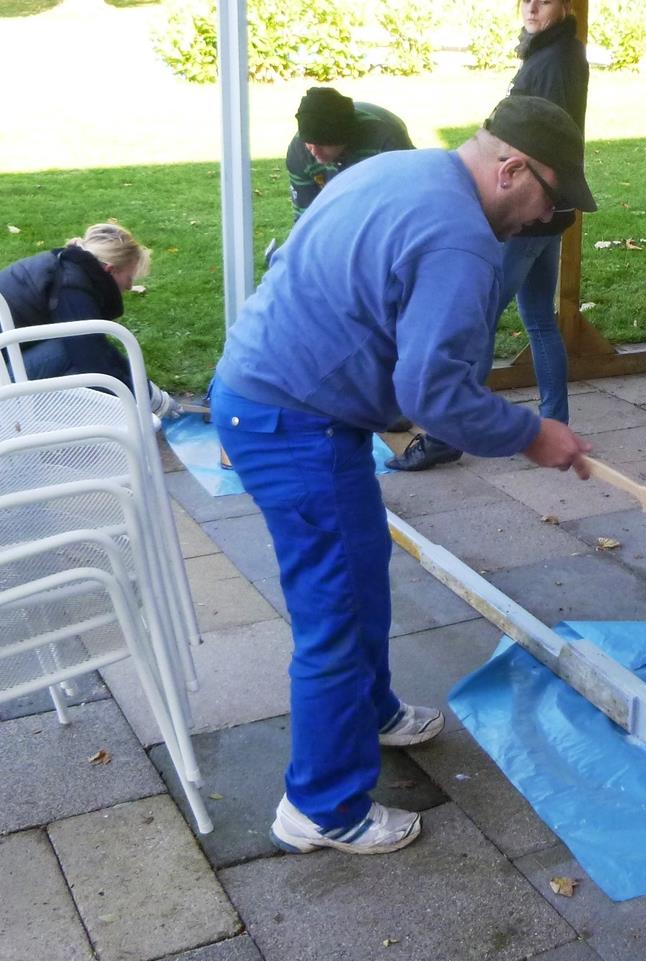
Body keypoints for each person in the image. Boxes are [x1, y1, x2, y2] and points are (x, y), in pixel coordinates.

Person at [211, 94, 597, 855]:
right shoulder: (461, 241)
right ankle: (321, 808)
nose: (542, 222)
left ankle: (372, 712)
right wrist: (531, 434)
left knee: (360, 575)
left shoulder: (401, 167)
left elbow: (294, 263)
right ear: (511, 169)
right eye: (549, 204)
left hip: (275, 401)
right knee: (335, 613)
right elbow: (435, 395)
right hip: (294, 424)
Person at [390, 0, 588, 471]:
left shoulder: (552, 62)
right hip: (551, 210)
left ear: (564, 5)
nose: (532, 9)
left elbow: (532, 140)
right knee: (538, 318)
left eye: (544, 1)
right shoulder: (556, 52)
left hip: (530, 210)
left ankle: (445, 432)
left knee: (475, 313)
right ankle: (556, 421)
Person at [0, 221, 178, 418]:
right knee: (70, 351)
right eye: (129, 278)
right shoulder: (73, 285)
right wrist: (141, 402)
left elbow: (97, 345)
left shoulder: (66, 268)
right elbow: (91, 358)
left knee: (75, 348)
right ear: (110, 270)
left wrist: (143, 388)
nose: (130, 287)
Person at [284, 86, 413, 221]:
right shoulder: (299, 151)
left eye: (322, 144)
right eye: (309, 143)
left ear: (343, 138)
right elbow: (305, 217)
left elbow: (404, 201)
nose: (314, 152)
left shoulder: (388, 141)